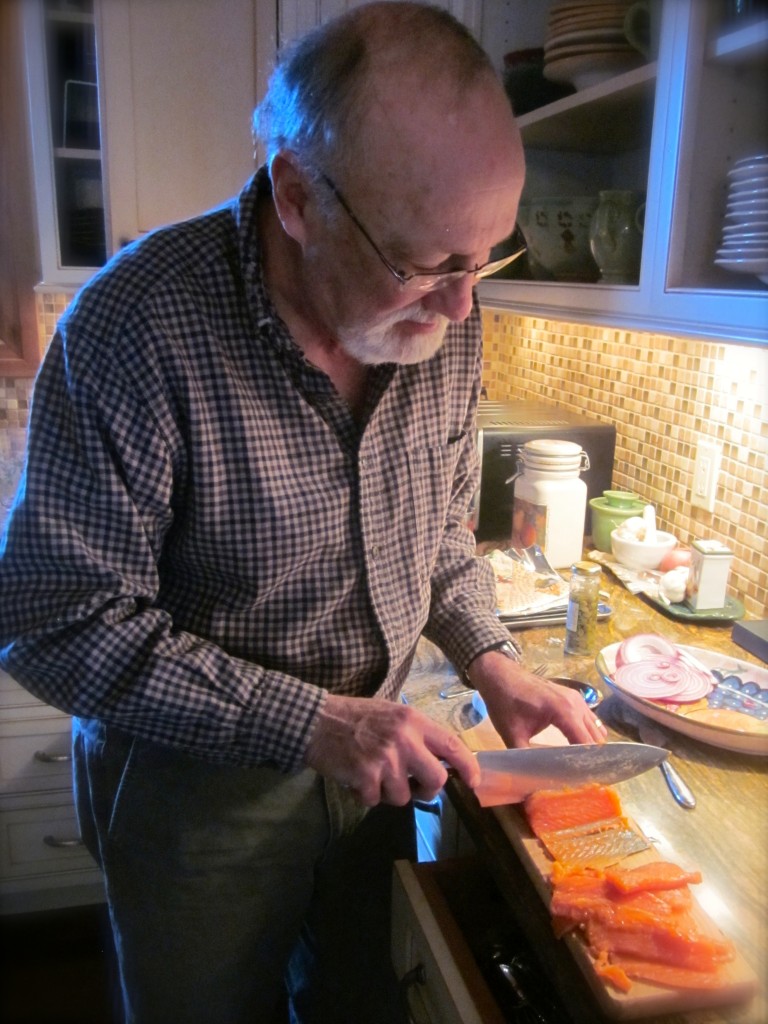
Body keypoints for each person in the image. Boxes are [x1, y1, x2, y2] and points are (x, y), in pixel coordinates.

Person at [0, 3, 606, 1022]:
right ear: (296, 195)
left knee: (361, 1004)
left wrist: (493, 658)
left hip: (379, 778)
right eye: (426, 264)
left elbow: (442, 534)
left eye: (484, 258)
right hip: (199, 807)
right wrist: (315, 723)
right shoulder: (135, 327)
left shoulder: (443, 316)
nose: (462, 306)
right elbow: (49, 617)